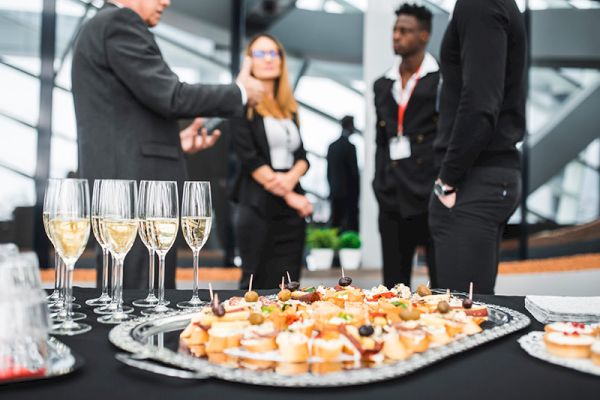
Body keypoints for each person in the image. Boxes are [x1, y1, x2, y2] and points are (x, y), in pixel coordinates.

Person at [72, 0, 264, 289]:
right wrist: (239, 92)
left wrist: (175, 141)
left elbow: (124, 114)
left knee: (126, 294)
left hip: (124, 187)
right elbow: (171, 96)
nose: (166, 1)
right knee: (141, 299)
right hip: (136, 192)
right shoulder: (118, 23)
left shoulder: (102, 26)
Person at [429, 0, 526, 294]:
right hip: (485, 175)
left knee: (462, 319)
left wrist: (447, 179)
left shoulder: (479, 4)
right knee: (473, 312)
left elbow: (480, 105)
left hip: (473, 178)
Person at [231, 33, 313, 290]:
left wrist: (290, 181)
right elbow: (249, 157)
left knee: (289, 287)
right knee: (255, 284)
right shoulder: (242, 105)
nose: (268, 59)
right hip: (258, 205)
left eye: (273, 53)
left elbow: (302, 157)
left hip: (291, 214)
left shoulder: (288, 107)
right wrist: (290, 194)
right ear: (249, 62)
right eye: (260, 54)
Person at [372, 3, 439, 289]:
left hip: (429, 196)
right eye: (395, 30)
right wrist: (379, 183)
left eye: (405, 31)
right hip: (391, 197)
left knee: (440, 285)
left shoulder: (441, 81)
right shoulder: (382, 85)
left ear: (424, 35)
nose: (396, 36)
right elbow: (381, 142)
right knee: (391, 287)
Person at [327, 115, 359, 233]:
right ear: (350, 126)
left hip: (334, 191)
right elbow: (354, 174)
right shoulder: (350, 147)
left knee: (335, 223)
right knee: (349, 226)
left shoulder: (332, 146)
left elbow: (329, 172)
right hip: (348, 194)